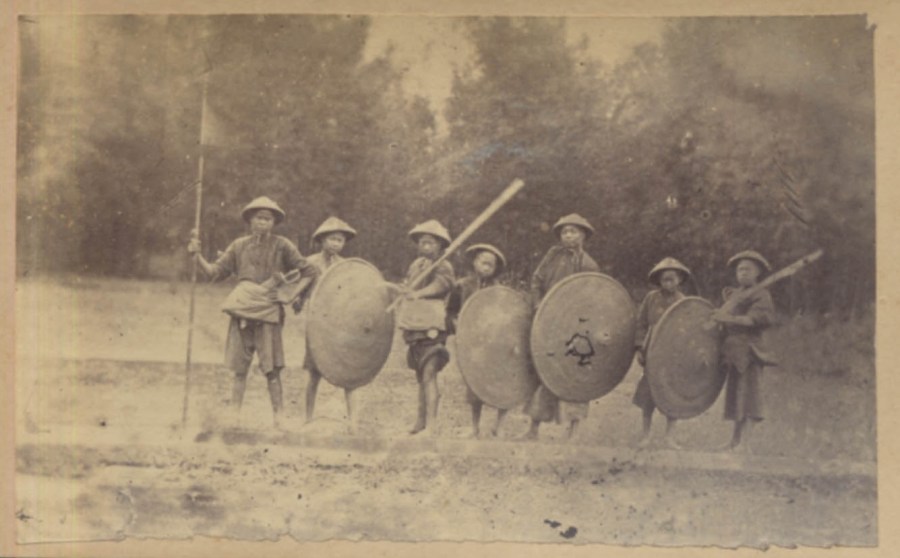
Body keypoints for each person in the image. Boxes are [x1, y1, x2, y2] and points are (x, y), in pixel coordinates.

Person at [188, 196, 318, 429]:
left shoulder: (283, 245)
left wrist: (290, 295)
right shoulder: (238, 246)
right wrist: (196, 256)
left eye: (267, 219)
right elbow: (214, 272)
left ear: (274, 222)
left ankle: (279, 418)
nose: (262, 223)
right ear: (250, 220)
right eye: (258, 218)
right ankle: (234, 417)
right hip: (242, 312)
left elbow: (309, 271)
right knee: (239, 368)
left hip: (269, 313)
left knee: (272, 369)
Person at [524, 213, 599, 441]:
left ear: (583, 235)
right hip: (547, 321)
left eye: (573, 231)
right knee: (543, 371)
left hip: (575, 327)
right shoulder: (552, 256)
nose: (568, 235)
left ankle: (574, 430)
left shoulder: (589, 265)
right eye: (564, 231)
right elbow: (537, 280)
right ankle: (533, 428)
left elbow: (591, 297)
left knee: (574, 375)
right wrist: (538, 304)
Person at [299, 217, 361, 433]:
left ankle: (353, 422)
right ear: (322, 240)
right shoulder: (310, 263)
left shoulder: (344, 266)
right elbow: (300, 290)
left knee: (348, 371)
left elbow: (351, 294)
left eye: (340, 240)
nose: (336, 244)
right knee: (313, 373)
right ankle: (308, 418)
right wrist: (297, 302)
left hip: (339, 324)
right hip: (316, 323)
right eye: (332, 239)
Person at [712, 250, 777, 452]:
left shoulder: (762, 294)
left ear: (757, 273)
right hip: (733, 352)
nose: (743, 273)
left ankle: (746, 444)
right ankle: (734, 440)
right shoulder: (734, 295)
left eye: (748, 269)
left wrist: (726, 319)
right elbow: (722, 316)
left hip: (750, 351)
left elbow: (753, 320)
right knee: (735, 396)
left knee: (749, 396)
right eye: (740, 269)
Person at [446, 243, 509, 438]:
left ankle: (499, 425)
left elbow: (507, 316)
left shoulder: (499, 291)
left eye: (491, 264)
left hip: (494, 342)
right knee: (474, 385)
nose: (487, 266)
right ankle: (475, 427)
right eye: (483, 261)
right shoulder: (462, 285)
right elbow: (451, 313)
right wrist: (460, 328)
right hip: (472, 343)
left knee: (502, 383)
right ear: (475, 263)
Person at [399, 220, 455, 436]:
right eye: (422, 243)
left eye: (430, 243)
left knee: (430, 374)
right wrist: (406, 291)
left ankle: (431, 424)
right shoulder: (416, 265)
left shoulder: (443, 265)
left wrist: (419, 294)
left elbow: (443, 284)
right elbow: (410, 286)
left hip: (433, 327)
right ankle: (420, 421)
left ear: (440, 246)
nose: (426, 247)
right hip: (415, 326)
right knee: (420, 376)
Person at [632, 257, 692, 448]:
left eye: (672, 279)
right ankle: (646, 435)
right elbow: (641, 323)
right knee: (648, 396)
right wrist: (640, 347)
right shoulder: (651, 298)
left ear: (679, 280)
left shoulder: (683, 302)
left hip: (673, 354)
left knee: (672, 395)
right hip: (652, 351)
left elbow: (690, 329)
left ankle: (669, 437)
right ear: (659, 280)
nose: (668, 283)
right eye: (664, 279)